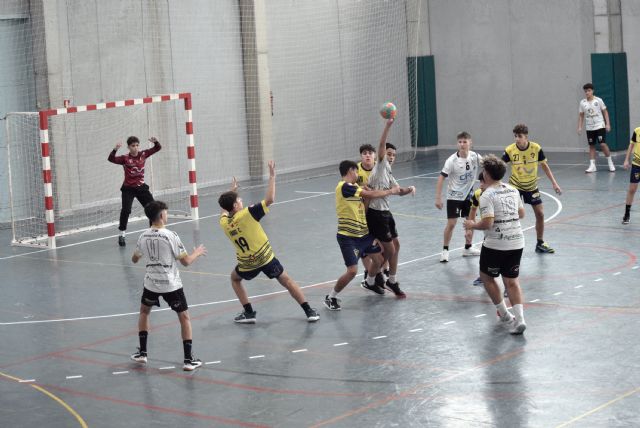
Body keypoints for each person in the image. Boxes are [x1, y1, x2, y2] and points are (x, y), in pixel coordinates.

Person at [218, 161, 320, 324]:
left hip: (247, 263)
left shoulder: (224, 222)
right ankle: (309, 311)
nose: (242, 202)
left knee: (235, 278)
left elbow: (224, 209)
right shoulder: (247, 214)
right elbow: (270, 199)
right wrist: (272, 176)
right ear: (237, 205)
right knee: (286, 280)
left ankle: (249, 312)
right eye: (240, 200)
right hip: (265, 258)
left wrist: (231, 192)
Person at [130, 200, 207, 371]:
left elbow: (134, 258)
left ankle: (142, 353)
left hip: (151, 284)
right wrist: (197, 252)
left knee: (144, 312)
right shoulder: (171, 236)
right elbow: (186, 262)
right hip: (171, 285)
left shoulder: (143, 236)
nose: (167, 214)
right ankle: (188, 360)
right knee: (184, 318)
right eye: (166, 212)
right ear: (161, 216)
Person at [324, 160, 400, 310]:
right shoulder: (344, 187)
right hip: (348, 238)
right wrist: (391, 191)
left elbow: (364, 206)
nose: (358, 174)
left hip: (363, 235)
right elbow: (369, 193)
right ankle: (331, 297)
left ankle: (369, 282)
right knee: (352, 271)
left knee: (378, 258)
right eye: (356, 171)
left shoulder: (354, 188)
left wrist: (367, 198)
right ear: (350, 171)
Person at [463, 155, 527, 334]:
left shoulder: (487, 195)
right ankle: (520, 319)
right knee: (512, 281)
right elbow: (521, 214)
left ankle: (505, 314)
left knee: (487, 277)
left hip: (496, 244)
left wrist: (472, 224)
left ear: (487, 174)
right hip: (517, 241)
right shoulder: (513, 190)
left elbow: (488, 223)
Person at [365, 118, 416, 297]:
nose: (391, 157)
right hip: (376, 214)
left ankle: (391, 280)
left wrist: (409, 189)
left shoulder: (388, 171)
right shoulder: (380, 166)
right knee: (389, 250)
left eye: (393, 154)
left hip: (386, 213)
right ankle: (374, 277)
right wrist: (387, 126)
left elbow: (397, 190)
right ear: (383, 154)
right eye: (389, 153)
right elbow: (381, 144)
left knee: (397, 245)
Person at [502, 124, 562, 253]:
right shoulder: (510, 150)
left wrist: (554, 183)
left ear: (526, 137)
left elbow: (545, 166)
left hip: (532, 186)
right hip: (515, 186)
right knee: (513, 215)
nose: (517, 139)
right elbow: (500, 167)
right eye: (515, 136)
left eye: (520, 136)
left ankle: (540, 243)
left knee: (540, 214)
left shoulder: (536, 148)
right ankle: (508, 242)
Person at [434, 131, 482, 262]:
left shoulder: (476, 157)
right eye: (460, 142)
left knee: (470, 222)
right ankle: (445, 250)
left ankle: (468, 248)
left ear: (470, 143)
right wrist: (438, 197)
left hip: (469, 195)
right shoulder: (451, 160)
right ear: (457, 144)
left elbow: (487, 166)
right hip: (454, 196)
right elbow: (441, 178)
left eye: (465, 141)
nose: (462, 144)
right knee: (451, 224)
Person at [108, 136, 162, 246]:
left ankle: (153, 233)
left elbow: (157, 148)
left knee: (153, 209)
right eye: (133, 146)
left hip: (141, 188)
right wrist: (115, 149)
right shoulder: (125, 158)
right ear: (128, 147)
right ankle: (122, 233)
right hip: (128, 189)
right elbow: (111, 159)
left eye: (137, 145)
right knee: (126, 210)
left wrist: (156, 142)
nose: (135, 148)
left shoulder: (143, 154)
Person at [577, 83, 615, 173]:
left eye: (589, 91)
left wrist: (608, 124)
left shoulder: (598, 100)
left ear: (592, 91)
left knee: (602, 144)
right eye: (585, 91)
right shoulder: (582, 102)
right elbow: (581, 116)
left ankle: (610, 162)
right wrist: (579, 127)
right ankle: (592, 165)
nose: (587, 93)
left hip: (599, 125)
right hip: (589, 127)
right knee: (591, 145)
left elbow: (605, 112)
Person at [467, 172, 487, 287]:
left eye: (483, 181)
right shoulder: (478, 194)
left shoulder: (500, 192)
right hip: (488, 232)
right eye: (480, 181)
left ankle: (508, 286)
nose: (480, 184)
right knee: (485, 253)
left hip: (503, 230)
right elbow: (473, 210)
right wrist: (470, 229)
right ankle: (483, 276)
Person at [622, 125, 640, 224]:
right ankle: (627, 213)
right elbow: (631, 145)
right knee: (632, 189)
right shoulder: (637, 131)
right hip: (637, 164)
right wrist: (626, 160)